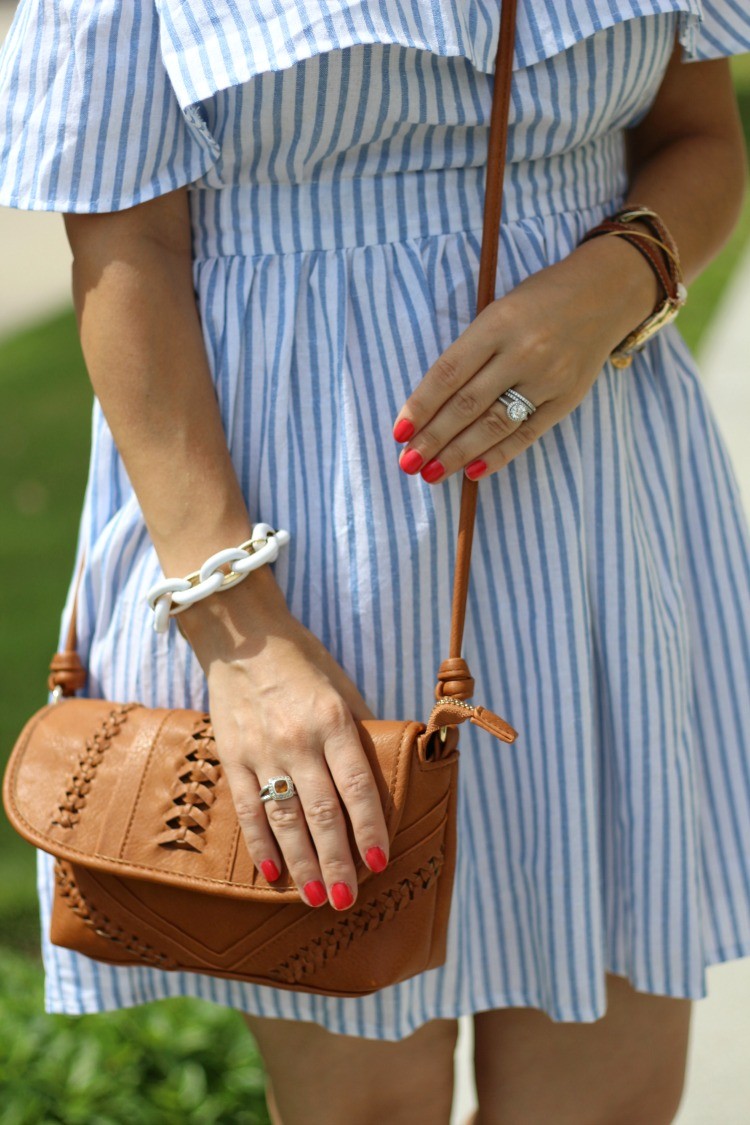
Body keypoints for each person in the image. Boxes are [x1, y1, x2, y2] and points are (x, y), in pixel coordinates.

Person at [2, 0, 750, 1121]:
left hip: (605, 507)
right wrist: (241, 637)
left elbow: (699, 136)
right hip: (299, 540)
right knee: (367, 1105)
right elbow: (121, 242)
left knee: (607, 1099)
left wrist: (619, 278)